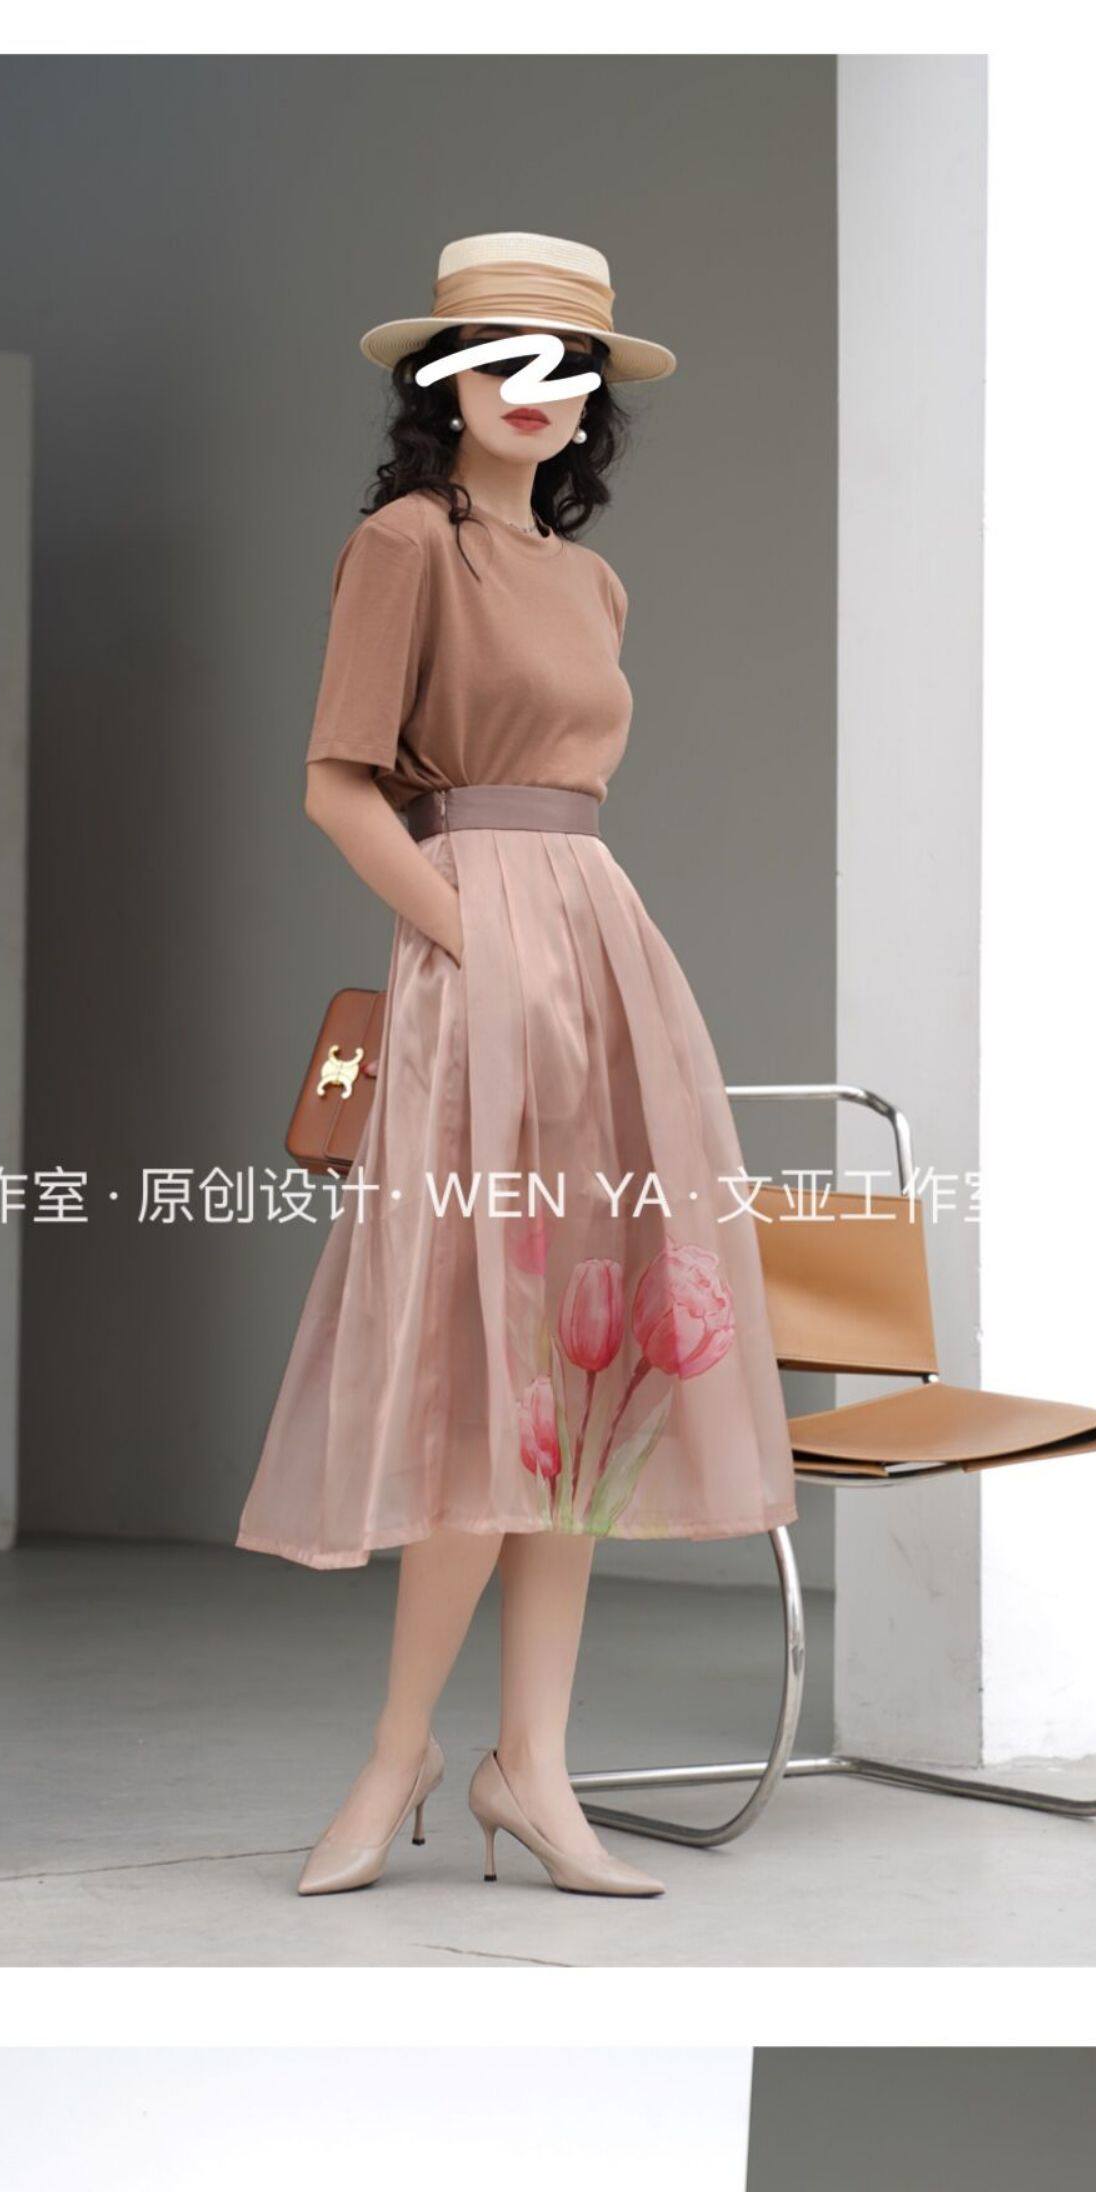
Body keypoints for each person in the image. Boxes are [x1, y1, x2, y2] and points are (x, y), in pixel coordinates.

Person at [237, 231, 797, 1899]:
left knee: (586, 1390)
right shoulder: (406, 543)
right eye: (502, 357)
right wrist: (473, 943)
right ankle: (400, 1749)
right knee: (481, 1377)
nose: (535, 392)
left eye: (569, 367)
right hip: (480, 963)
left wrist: (556, 953)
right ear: (448, 379)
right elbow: (339, 785)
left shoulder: (593, 583)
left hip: (606, 961)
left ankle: (532, 1768)